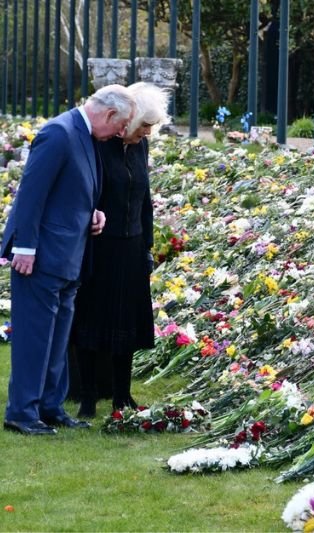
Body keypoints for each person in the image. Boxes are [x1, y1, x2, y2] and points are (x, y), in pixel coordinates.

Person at [2, 85, 135, 436]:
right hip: (42, 255)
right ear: (108, 114)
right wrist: (25, 248)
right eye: (120, 125)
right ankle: (22, 412)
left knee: (58, 338)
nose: (121, 133)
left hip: (69, 255)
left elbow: (70, 189)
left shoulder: (86, 135)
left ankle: (49, 406)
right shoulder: (58, 133)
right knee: (35, 337)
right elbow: (31, 193)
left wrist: (93, 213)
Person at [71, 82, 170, 417]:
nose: (148, 133)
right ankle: (87, 397)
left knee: (127, 324)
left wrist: (148, 247)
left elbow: (145, 200)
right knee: (91, 320)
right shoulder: (100, 145)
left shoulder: (140, 148)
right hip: (100, 246)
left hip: (132, 246)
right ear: (127, 120)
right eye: (144, 125)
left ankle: (121, 395)